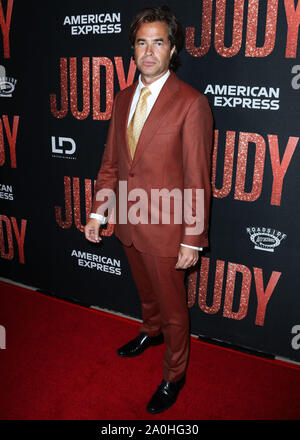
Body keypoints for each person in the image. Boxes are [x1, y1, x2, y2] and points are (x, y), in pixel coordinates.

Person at [84, 5, 213, 414]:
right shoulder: (123, 99)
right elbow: (111, 164)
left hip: (167, 229)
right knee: (146, 295)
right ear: (133, 49)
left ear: (172, 49)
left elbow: (197, 178)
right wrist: (98, 213)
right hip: (127, 222)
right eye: (142, 42)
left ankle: (175, 374)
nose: (149, 51)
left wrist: (192, 237)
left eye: (158, 42)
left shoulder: (191, 104)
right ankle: (149, 332)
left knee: (176, 311)